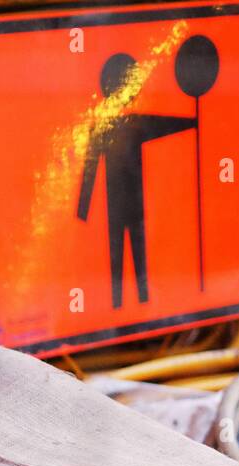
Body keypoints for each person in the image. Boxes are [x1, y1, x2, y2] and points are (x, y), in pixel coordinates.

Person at [77, 52, 196, 308]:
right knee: (122, 252)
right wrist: (82, 210)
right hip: (122, 202)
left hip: (129, 203)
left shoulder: (131, 123)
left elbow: (165, 124)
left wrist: (193, 122)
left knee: (131, 251)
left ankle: (136, 299)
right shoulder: (114, 125)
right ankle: (124, 301)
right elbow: (89, 167)